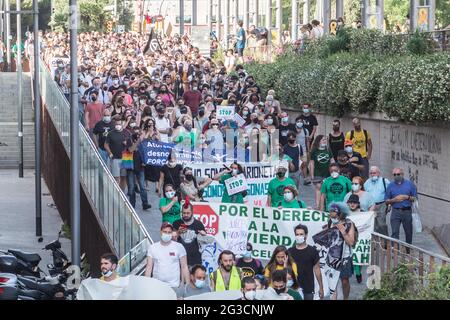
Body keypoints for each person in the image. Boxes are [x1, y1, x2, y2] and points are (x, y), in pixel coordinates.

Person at [325, 203, 356, 300]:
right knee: (332, 281)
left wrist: (343, 231)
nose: (331, 215)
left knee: (345, 280)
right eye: (330, 212)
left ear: (340, 214)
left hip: (345, 257)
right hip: (332, 256)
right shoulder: (330, 221)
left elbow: (351, 242)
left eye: (334, 213)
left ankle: (345, 298)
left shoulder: (349, 224)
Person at [144, 222, 190, 289]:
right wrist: (146, 285)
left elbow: (184, 267)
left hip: (174, 286)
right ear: (160, 232)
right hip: (157, 286)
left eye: (169, 232)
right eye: (165, 232)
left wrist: (187, 286)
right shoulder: (153, 248)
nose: (167, 234)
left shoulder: (179, 247)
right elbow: (149, 267)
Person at [288, 224, 324, 300]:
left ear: (306, 235)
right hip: (293, 288)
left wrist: (321, 287)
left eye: (301, 234)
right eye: (297, 234)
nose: (299, 236)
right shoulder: (290, 251)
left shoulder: (312, 251)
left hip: (308, 288)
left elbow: (317, 269)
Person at [385, 168, 417, 244]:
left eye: (398, 174)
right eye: (394, 175)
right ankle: (395, 252)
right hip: (395, 211)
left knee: (408, 232)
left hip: (407, 211)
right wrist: (394, 200)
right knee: (395, 233)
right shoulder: (390, 185)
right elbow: (386, 200)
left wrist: (407, 197)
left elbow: (415, 199)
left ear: (402, 174)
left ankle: (408, 251)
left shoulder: (410, 184)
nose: (396, 176)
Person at [173, 201, 207, 267]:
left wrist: (204, 235)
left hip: (195, 260)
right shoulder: (176, 223)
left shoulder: (198, 224)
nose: (186, 215)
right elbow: (171, 241)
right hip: (179, 259)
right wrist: (178, 232)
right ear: (181, 213)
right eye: (184, 213)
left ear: (192, 213)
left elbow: (205, 243)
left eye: (188, 213)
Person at [309, 135, 335, 209]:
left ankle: (324, 205)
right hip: (317, 173)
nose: (325, 141)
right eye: (323, 140)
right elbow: (312, 163)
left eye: (326, 140)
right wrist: (311, 174)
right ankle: (318, 205)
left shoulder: (328, 150)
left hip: (327, 173)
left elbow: (332, 160)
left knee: (326, 189)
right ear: (318, 141)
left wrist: (334, 170)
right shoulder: (314, 151)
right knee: (318, 188)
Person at [364, 166, 390, 236]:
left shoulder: (385, 181)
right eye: (371, 173)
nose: (372, 175)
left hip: (381, 205)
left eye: (374, 173)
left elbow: (390, 192)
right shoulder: (367, 182)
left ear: (378, 173)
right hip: (370, 206)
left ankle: (385, 241)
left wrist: (389, 204)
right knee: (373, 224)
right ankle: (375, 242)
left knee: (381, 224)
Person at [104, 116, 128, 189]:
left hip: (125, 158)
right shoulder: (111, 133)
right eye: (117, 124)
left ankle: (122, 193)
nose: (118, 126)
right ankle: (116, 193)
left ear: (122, 124)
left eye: (119, 124)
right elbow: (106, 144)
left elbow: (131, 144)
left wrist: (126, 143)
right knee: (116, 177)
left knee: (123, 177)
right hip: (115, 158)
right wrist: (110, 153)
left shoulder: (126, 133)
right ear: (115, 125)